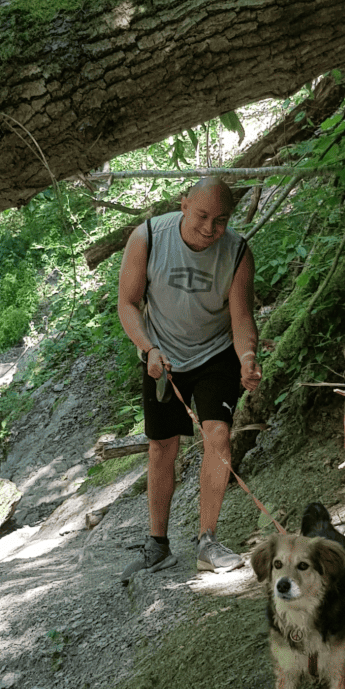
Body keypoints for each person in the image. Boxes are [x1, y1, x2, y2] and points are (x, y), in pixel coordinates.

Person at [116, 176, 263, 572]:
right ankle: (158, 542)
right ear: (183, 206)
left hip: (216, 353)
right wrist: (148, 348)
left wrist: (247, 355)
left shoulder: (236, 253)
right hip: (161, 353)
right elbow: (128, 304)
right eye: (202, 215)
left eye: (221, 220)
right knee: (163, 445)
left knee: (218, 435)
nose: (210, 228)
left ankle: (207, 542)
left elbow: (242, 319)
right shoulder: (147, 237)